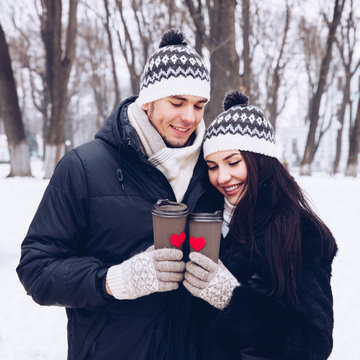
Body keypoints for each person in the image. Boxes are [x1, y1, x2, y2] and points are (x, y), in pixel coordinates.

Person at [16, 29, 221, 360]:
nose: (189, 117)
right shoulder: (83, 168)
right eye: (177, 102)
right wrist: (111, 281)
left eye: (199, 105)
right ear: (148, 100)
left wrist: (228, 291)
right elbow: (36, 270)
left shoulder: (213, 172)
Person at [183, 90, 337, 359]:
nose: (222, 177)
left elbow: (314, 342)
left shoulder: (299, 232)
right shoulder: (204, 218)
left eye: (233, 162)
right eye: (212, 166)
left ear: (260, 161)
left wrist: (233, 300)